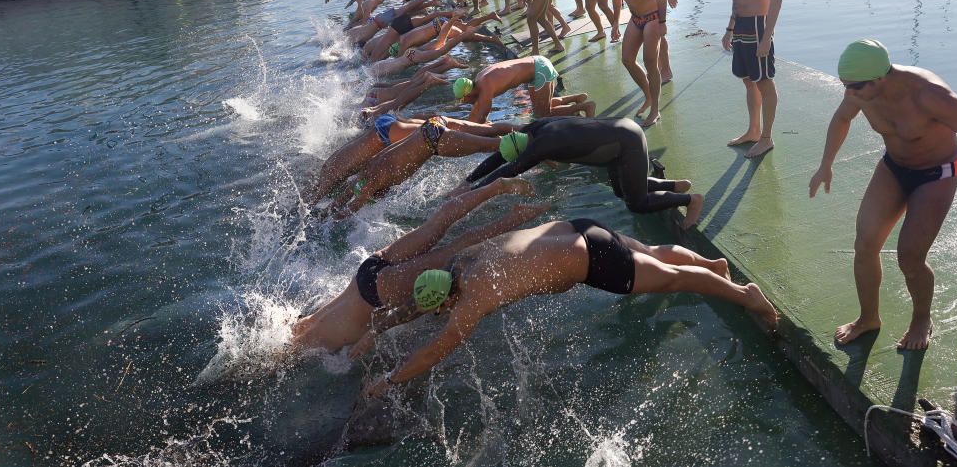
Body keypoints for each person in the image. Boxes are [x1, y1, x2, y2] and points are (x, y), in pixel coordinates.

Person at [359, 218, 777, 396]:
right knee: (652, 253)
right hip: (581, 228)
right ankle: (711, 262)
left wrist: (390, 381)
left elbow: (436, 349)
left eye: (442, 310)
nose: (446, 315)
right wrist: (380, 327)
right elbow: (426, 299)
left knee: (673, 280)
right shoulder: (468, 261)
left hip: (594, 262)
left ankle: (744, 294)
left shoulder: (475, 298)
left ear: (449, 299)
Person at [809, 39, 957, 350]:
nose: (848, 94)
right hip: (894, 167)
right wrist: (826, 164)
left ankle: (922, 318)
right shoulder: (860, 89)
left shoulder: (928, 95)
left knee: (910, 257)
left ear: (880, 78)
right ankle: (868, 318)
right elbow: (842, 118)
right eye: (845, 86)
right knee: (865, 244)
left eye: (854, 87)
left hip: (937, 174)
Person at [292, 178, 546, 351]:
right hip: (368, 271)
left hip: (379, 293)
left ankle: (520, 217)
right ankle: (496, 188)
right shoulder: (304, 323)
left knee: (456, 249)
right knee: (436, 225)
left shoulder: (304, 345)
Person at [460, 116, 704, 227]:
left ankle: (691, 200)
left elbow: (509, 170)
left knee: (636, 203)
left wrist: (471, 196)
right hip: (617, 132)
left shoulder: (543, 145)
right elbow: (501, 157)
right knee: (621, 190)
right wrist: (469, 182)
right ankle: (672, 186)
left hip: (626, 142)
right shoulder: (535, 128)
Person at [328, 117, 510, 217]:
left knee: (493, 145)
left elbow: (349, 210)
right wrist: (326, 212)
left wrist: (327, 223)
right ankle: (524, 128)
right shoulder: (365, 175)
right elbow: (349, 193)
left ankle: (530, 144)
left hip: (434, 140)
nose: (384, 197)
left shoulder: (372, 182)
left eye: (378, 197)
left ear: (377, 192)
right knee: (488, 131)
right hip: (432, 124)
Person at [720, 0, 782, 159]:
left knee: (764, 82)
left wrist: (767, 37)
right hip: (741, 27)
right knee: (749, 80)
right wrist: (729, 28)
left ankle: (766, 138)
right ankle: (753, 131)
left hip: (758, 26)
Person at [586, 0, 668, 127]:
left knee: (650, 63)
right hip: (635, 18)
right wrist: (615, 22)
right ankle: (648, 96)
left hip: (652, 17)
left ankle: (655, 110)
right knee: (627, 60)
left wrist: (662, 22)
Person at [454, 55, 595, 122]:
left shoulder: (485, 87)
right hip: (536, 64)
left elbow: (482, 118)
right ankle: (578, 98)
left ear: (468, 94)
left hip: (540, 70)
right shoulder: (479, 79)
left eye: (464, 100)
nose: (465, 102)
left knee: (542, 114)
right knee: (540, 106)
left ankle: (585, 107)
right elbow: (477, 108)